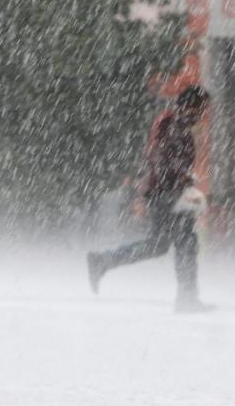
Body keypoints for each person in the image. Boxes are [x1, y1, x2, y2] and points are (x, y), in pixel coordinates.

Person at [87, 85, 212, 312]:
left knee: (158, 245)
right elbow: (161, 158)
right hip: (167, 193)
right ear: (188, 106)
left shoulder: (174, 124)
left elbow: (164, 159)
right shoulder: (172, 125)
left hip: (164, 191)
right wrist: (183, 177)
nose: (201, 115)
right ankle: (186, 298)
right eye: (200, 109)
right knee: (186, 241)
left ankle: (102, 261)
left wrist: (184, 180)